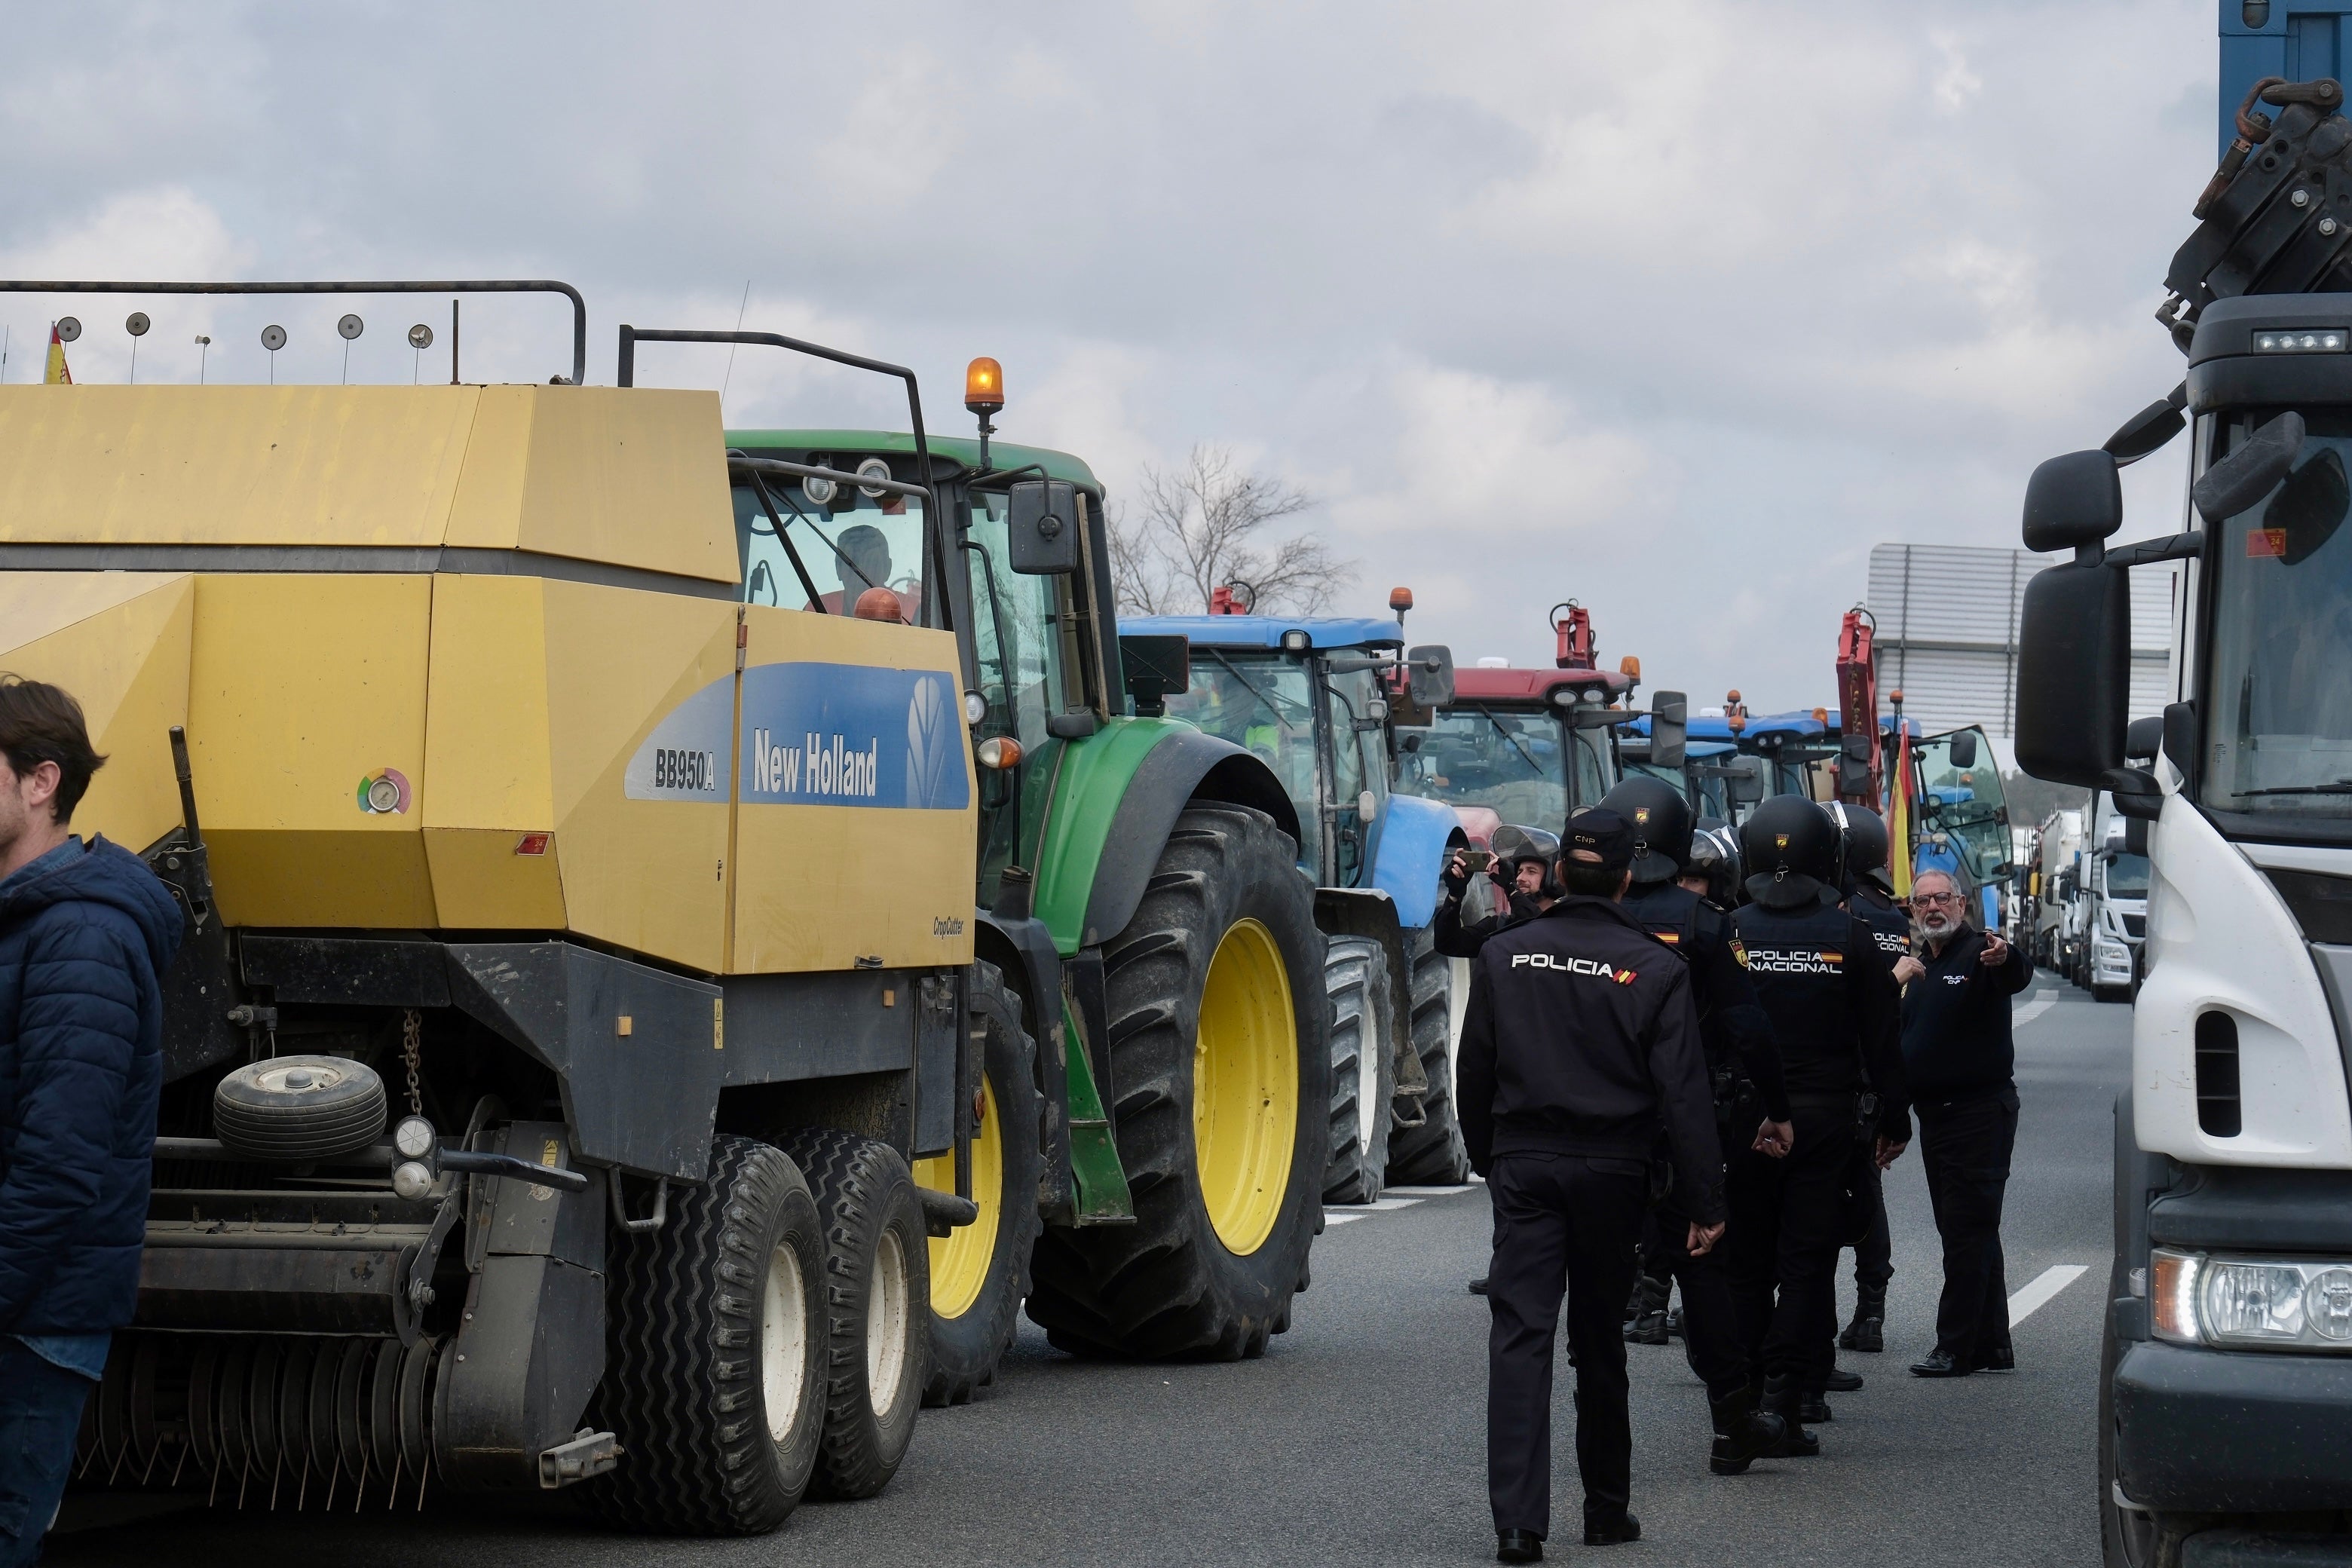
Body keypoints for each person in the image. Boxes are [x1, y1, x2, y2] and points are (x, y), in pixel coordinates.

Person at [1459, 807, 1724, 1563]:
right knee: (1599, 1336)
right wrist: (1705, 1202)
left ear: (1563, 872)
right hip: (1615, 1169)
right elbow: (1684, 1093)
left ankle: (1518, 1523)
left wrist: (1490, 1157)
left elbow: (1475, 1068)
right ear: (1628, 877)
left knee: (1520, 1335)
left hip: (1527, 1162)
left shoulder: (1507, 955)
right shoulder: (1657, 966)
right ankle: (1606, 1508)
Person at [0, 677, 182, 1568]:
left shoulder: (81, 935)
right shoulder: (20, 923)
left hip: (34, 1317)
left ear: (40, 783)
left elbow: (61, 1158)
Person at [1598, 778, 1791, 1478]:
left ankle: (1598, 1445)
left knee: (1596, 1280)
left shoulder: (1578, 917)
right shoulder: (1706, 922)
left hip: (1594, 1125)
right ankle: (1731, 1423)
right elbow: (1748, 1027)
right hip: (1683, 1121)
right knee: (1704, 1266)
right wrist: (1778, 1108)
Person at [1726, 796, 1910, 1450]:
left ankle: (1742, 1401)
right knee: (1806, 1261)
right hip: (1825, 1118)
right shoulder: (1852, 938)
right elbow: (1881, 1042)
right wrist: (1895, 1118)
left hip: (1745, 1118)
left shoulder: (1732, 931)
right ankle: (1782, 1402)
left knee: (1746, 1263)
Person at [1901, 867, 2033, 1377]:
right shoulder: (1918, 967)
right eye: (1923, 902)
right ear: (1913, 911)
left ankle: (1953, 1346)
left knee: (1965, 1233)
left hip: (1978, 1115)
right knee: (1972, 1230)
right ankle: (1993, 1345)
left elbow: (2012, 972)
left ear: (1962, 903)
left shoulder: (1981, 952)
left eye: (1943, 898)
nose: (1934, 908)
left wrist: (2008, 956)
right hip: (1936, 1119)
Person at [1827, 802, 1909, 1360]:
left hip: (1826, 1073)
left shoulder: (1837, 912)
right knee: (1867, 1190)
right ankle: (1871, 1310)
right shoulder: (1891, 917)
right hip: (1872, 1078)